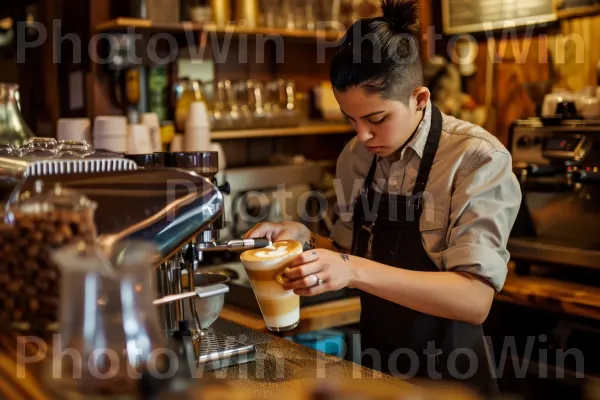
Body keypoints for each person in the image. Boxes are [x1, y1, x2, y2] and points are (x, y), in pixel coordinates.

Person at [243, 0, 522, 394]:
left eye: (376, 119)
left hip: (452, 383)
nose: (361, 136)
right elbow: (351, 251)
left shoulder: (476, 159)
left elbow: (474, 300)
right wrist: (302, 240)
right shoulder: (355, 159)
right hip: (378, 378)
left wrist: (351, 268)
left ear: (420, 99)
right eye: (350, 119)